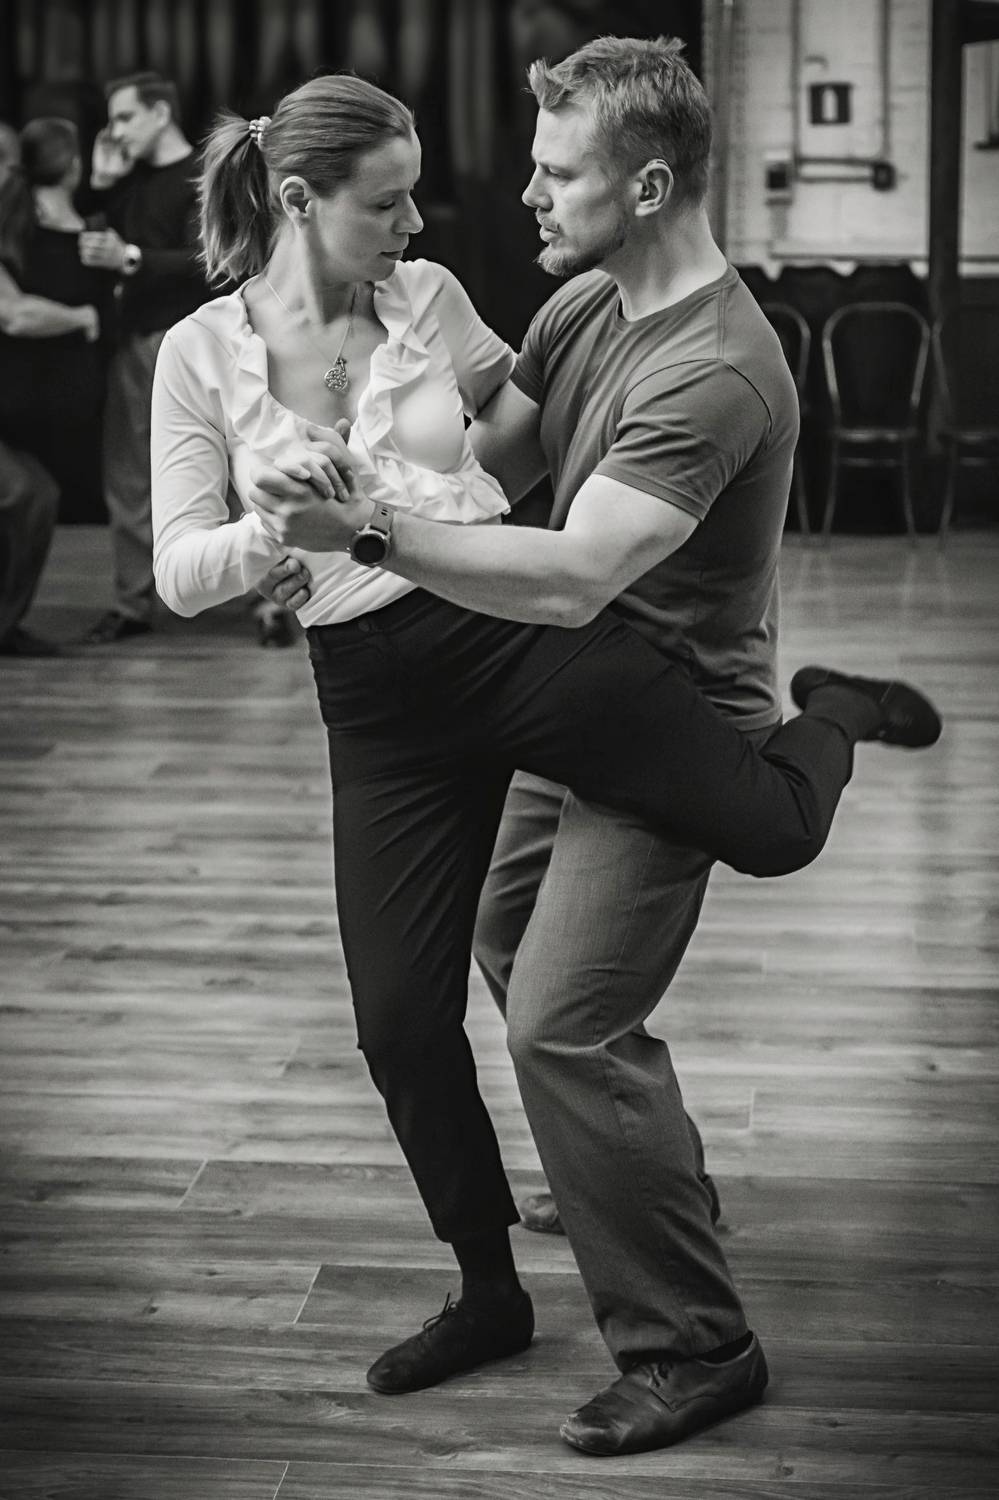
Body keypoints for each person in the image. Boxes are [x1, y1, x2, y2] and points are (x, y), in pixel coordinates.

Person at [150, 67, 940, 1457]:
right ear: (301, 202)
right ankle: (509, 1275)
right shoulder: (558, 305)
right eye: (393, 201)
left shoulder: (674, 355)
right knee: (428, 1007)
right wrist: (298, 523)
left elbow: (560, 558)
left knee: (678, 915)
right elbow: (491, 464)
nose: (489, 203)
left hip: (570, 647)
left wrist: (369, 522)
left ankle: (696, 1342)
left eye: (552, 172)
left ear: (644, 186)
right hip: (412, 677)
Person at [79, 71, 210, 645]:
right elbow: (88, 247)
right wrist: (100, 187)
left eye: (125, 117)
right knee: (131, 475)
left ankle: (271, 602)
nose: (114, 131)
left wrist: (131, 257)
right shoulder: (125, 180)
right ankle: (133, 603)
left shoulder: (203, 174)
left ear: (161, 113)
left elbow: (212, 260)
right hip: (137, 341)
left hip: (196, 341)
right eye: (111, 119)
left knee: (236, 466)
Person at [0, 117, 110, 656]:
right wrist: (83, 317)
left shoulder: (84, 232)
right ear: (71, 165)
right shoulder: (10, 227)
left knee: (35, 496)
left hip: (26, 409)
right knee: (28, 494)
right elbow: (14, 314)